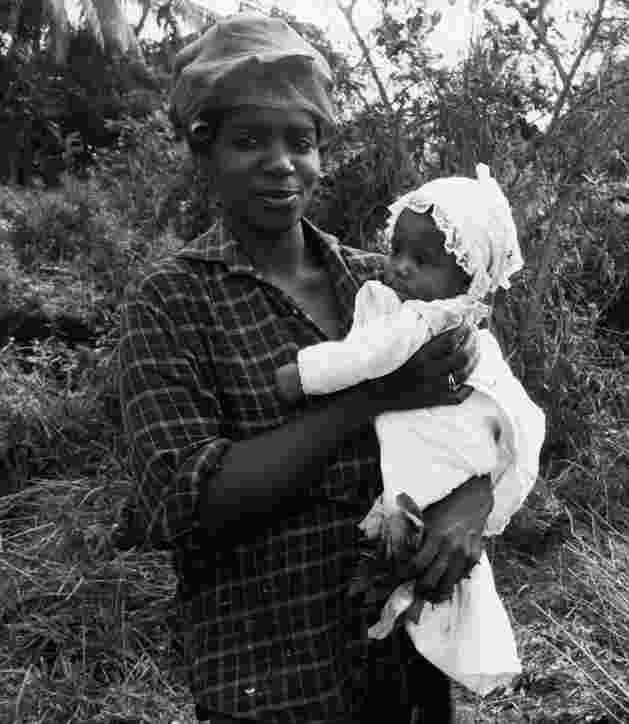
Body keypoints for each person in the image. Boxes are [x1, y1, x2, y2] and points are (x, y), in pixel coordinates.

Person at [118, 14, 491, 723]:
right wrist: (372, 397)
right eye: (249, 140)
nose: (281, 163)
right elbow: (188, 504)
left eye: (301, 140)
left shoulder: (381, 284)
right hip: (272, 680)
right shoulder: (171, 301)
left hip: (407, 664)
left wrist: (473, 498)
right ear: (206, 151)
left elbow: (482, 404)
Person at [274, 164, 545, 697]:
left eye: (420, 261)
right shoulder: (459, 321)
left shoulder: (420, 319)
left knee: (406, 553)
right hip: (440, 469)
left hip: (436, 461)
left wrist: (299, 375)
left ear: (467, 278)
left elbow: (362, 357)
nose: (398, 267)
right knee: (420, 567)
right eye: (397, 250)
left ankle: (396, 613)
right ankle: (409, 619)